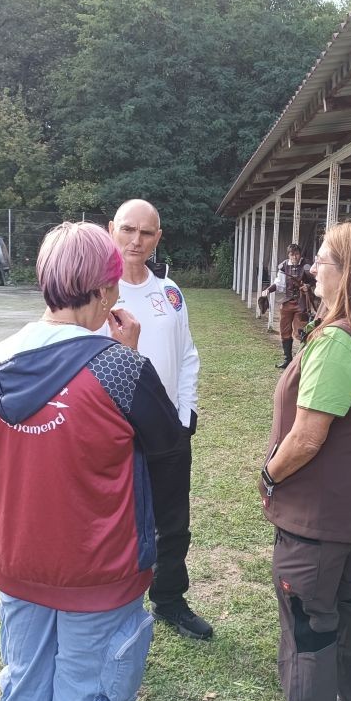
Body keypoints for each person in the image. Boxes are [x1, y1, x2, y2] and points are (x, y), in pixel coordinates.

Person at [0, 222, 183, 701]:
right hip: (99, 568)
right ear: (105, 290)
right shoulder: (119, 368)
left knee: (22, 691)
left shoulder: (0, 359)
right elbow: (168, 446)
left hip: (19, 558)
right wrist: (130, 356)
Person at [259, 220, 351, 701]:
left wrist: (269, 475)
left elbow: (307, 437)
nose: (312, 268)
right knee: (348, 604)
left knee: (308, 626)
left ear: (347, 272)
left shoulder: (340, 342)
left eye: (321, 259)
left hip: (318, 516)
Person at [107, 199, 213, 640]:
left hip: (169, 429)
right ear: (111, 229)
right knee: (119, 526)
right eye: (127, 229)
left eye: (146, 232)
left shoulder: (169, 293)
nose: (136, 240)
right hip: (115, 433)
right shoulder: (97, 292)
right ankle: (116, 609)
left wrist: (185, 412)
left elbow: (187, 354)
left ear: (158, 238)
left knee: (173, 524)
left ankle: (169, 599)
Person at [260, 243, 315, 369]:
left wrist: (308, 286)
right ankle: (287, 360)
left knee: (301, 331)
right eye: (292, 254)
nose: (294, 257)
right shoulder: (284, 266)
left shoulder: (307, 265)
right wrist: (268, 290)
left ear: (300, 254)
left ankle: (303, 361)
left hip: (301, 302)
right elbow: (278, 283)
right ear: (288, 255)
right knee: (284, 330)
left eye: (297, 254)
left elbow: (315, 280)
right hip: (287, 302)